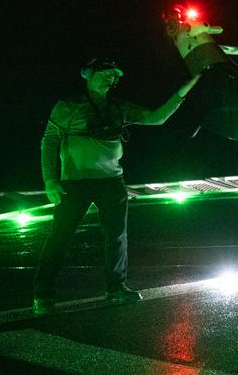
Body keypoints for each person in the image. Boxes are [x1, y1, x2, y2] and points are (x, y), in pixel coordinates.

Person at [34, 58, 200, 314]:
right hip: (74, 184)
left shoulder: (119, 107)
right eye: (105, 73)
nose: (110, 79)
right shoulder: (67, 106)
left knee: (117, 237)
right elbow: (50, 142)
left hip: (111, 181)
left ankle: (116, 288)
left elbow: (156, 119)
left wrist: (182, 92)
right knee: (60, 237)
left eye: (114, 75)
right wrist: (50, 180)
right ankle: (42, 295)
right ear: (87, 75)